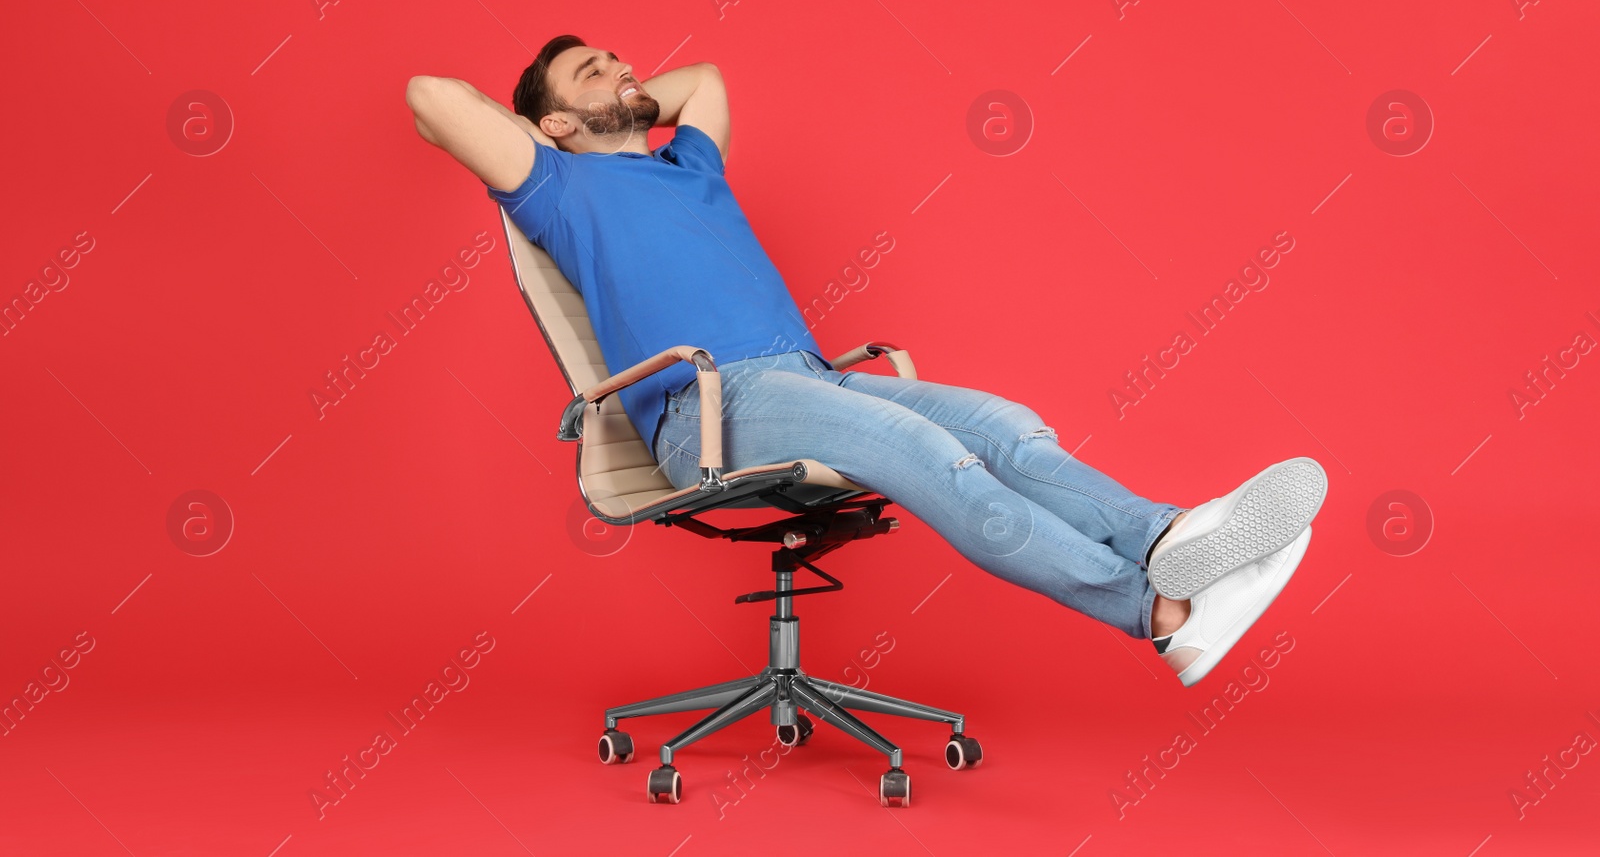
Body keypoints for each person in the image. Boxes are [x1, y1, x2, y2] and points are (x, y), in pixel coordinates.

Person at [404, 35, 1327, 687]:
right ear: (555, 123)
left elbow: (707, 78)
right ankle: (1159, 613)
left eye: (619, 56)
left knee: (1007, 425)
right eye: (592, 70)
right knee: (936, 456)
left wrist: (615, 95)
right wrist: (539, 129)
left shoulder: (691, 166)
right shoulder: (556, 187)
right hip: (712, 404)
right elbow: (430, 99)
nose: (623, 67)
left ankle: (1174, 539)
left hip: (808, 375)